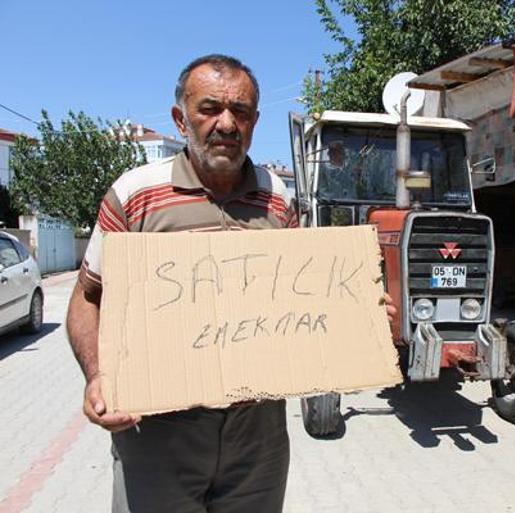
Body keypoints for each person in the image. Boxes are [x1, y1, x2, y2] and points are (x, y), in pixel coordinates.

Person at [66, 54, 395, 512]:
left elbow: (304, 298)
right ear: (181, 118)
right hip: (158, 435)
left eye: (240, 112)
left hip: (256, 439)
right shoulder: (135, 194)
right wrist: (97, 377)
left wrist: (358, 317)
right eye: (209, 109)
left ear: (255, 121)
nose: (226, 123)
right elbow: (87, 298)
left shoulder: (278, 199)